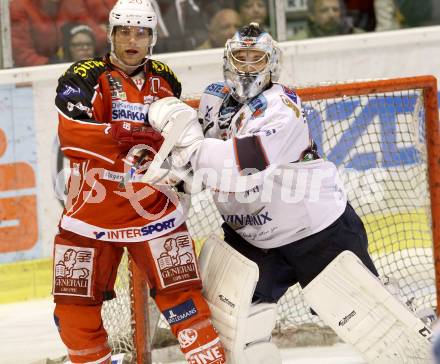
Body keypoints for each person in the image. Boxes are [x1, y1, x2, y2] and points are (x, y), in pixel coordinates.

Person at [146, 23, 433, 363]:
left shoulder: (281, 107)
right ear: (227, 60)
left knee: (381, 326)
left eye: (257, 58)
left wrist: (189, 145)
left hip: (317, 233)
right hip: (251, 240)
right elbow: (199, 176)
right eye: (241, 57)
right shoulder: (212, 100)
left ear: (272, 64)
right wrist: (177, 171)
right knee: (235, 335)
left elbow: (243, 168)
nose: (248, 66)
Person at [52, 1, 226, 363]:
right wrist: (125, 133)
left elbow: (177, 135)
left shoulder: (165, 77)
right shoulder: (81, 77)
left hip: (152, 210)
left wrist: (181, 164)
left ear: (152, 38)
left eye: (142, 32)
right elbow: (73, 136)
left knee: (184, 299)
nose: (133, 40)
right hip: (91, 212)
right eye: (125, 32)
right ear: (111, 34)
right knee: (72, 308)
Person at [292, 0, 364, 39]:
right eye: (324, 10)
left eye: (335, 9)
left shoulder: (360, 37)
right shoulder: (298, 42)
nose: (331, 15)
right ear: (312, 16)